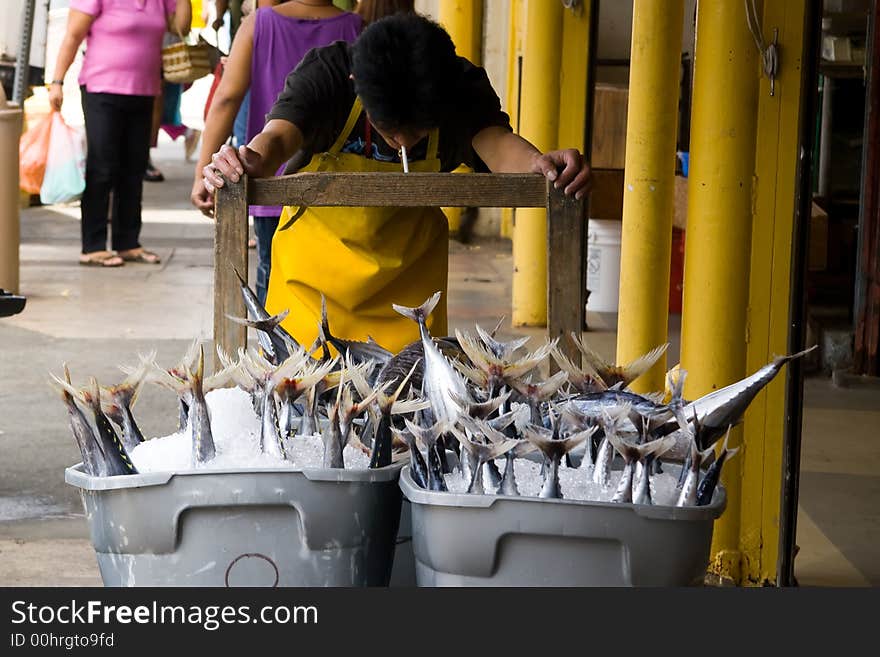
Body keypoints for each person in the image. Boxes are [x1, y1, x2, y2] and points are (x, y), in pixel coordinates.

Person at [201, 13, 591, 352]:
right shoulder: (328, 74)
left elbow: (499, 146)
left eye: (418, 131)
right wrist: (248, 159)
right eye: (390, 130)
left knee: (408, 411)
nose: (403, 142)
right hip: (311, 292)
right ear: (357, 82)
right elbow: (278, 138)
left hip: (410, 297)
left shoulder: (457, 86)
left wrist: (540, 164)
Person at [192, 0, 361, 303]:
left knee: (273, 280)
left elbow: (227, 99)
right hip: (340, 182)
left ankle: (277, 351)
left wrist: (201, 172)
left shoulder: (259, 23)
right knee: (337, 281)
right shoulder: (355, 27)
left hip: (271, 177)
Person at [49, 0, 192, 267]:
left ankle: (127, 243)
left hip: (145, 91)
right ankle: (92, 246)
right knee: (102, 168)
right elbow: (72, 35)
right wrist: (57, 82)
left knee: (134, 169)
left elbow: (180, 27)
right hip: (101, 89)